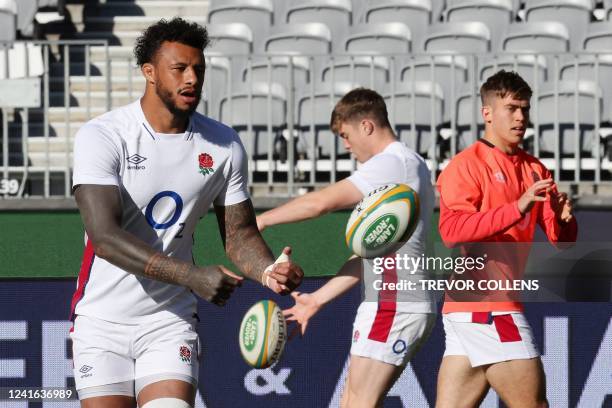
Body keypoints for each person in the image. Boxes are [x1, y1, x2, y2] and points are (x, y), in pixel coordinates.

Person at [70, 18, 303, 408]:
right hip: (101, 322)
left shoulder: (224, 144)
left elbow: (240, 234)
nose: (191, 78)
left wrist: (267, 271)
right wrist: (192, 276)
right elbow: (105, 238)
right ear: (149, 72)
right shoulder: (103, 135)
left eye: (198, 68)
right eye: (179, 68)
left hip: (169, 320)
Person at [257, 88, 437, 408]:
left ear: (366, 125)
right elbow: (366, 258)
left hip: (393, 302)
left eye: (345, 134)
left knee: (359, 404)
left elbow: (320, 203)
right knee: (351, 403)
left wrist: (262, 221)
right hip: (391, 301)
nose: (345, 145)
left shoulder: (392, 164)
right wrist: (316, 299)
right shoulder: (409, 164)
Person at [435, 70, 577, 408]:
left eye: (525, 109)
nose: (520, 117)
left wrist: (563, 220)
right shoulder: (465, 165)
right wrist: (517, 207)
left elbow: (562, 241)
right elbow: (451, 231)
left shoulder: (535, 169)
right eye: (511, 108)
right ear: (487, 113)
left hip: (469, 309)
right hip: (488, 307)